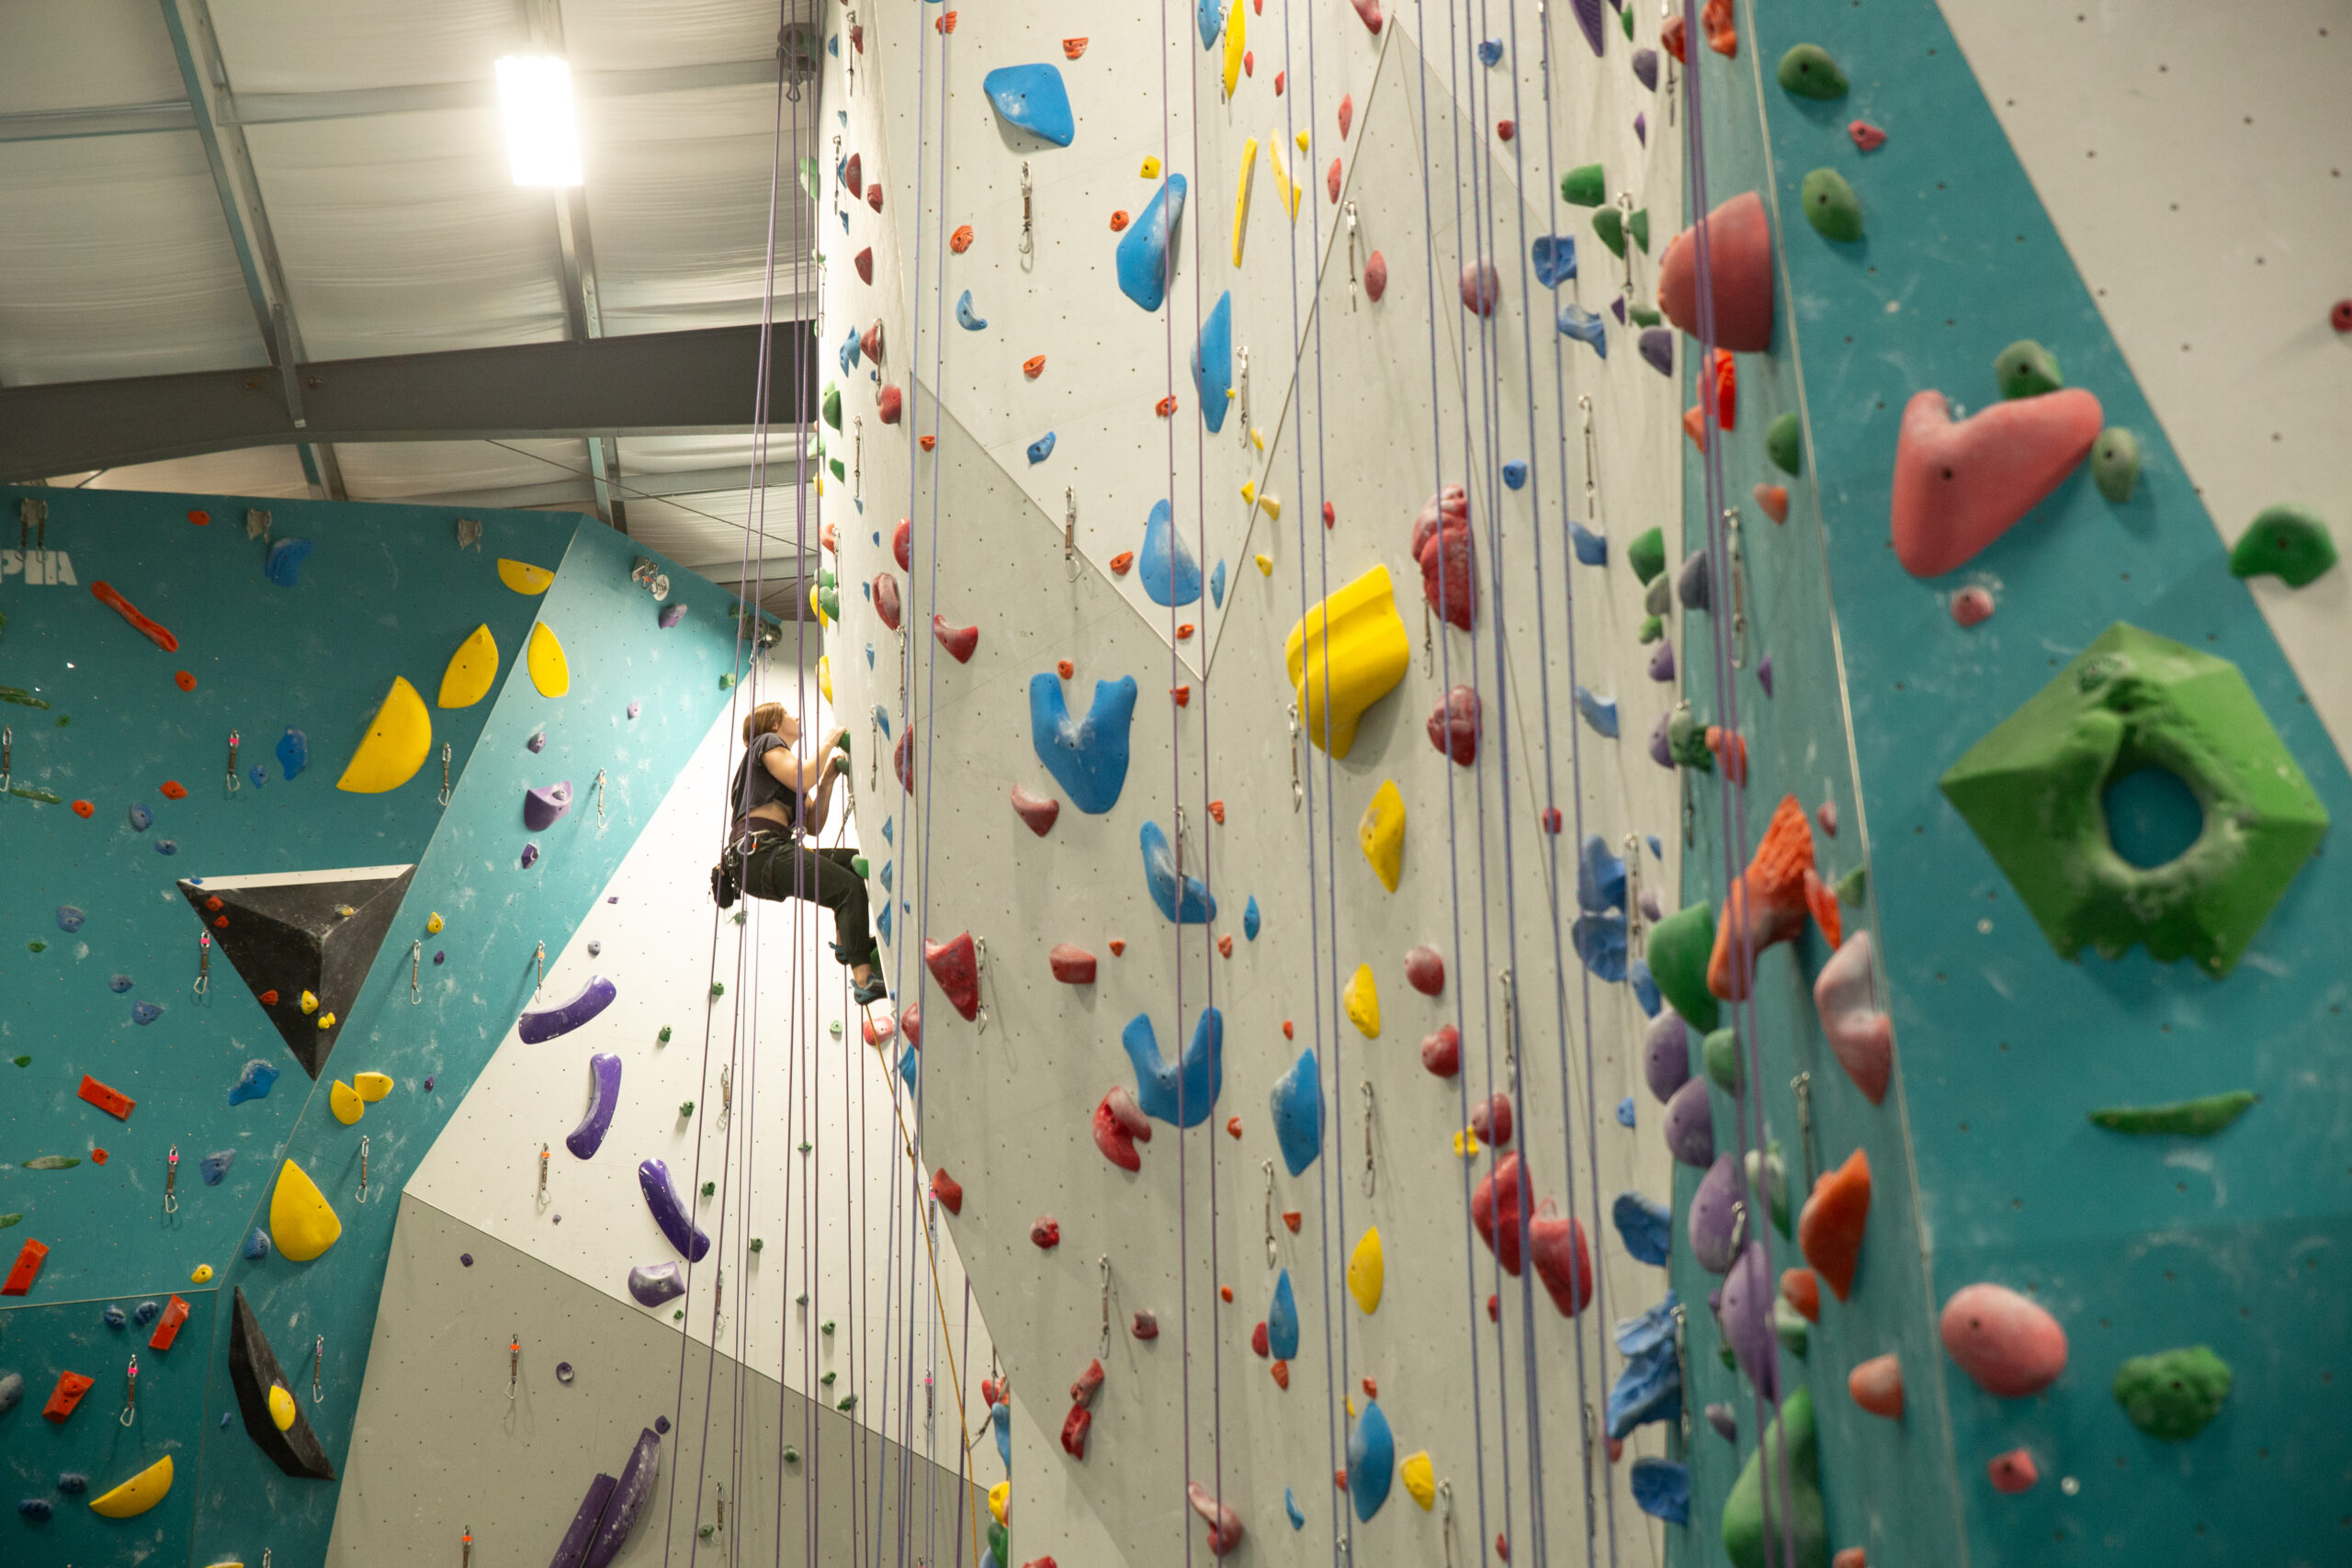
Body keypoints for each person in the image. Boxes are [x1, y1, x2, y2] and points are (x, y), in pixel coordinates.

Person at [711, 701, 886, 1006]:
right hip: (760, 852)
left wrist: (827, 780)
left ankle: (847, 944)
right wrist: (831, 740)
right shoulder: (765, 743)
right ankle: (863, 979)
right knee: (849, 887)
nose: (796, 716)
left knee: (852, 862)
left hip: (762, 856)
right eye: (788, 714)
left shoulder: (783, 771)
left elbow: (814, 823)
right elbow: (802, 775)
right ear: (775, 725)